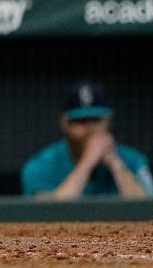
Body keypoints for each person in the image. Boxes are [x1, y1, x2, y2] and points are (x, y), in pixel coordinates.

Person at [21, 80, 153, 199]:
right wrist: (87, 162)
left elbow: (147, 211)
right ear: (65, 123)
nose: (90, 129)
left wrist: (116, 164)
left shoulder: (134, 160)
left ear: (108, 121)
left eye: (96, 120)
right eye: (80, 121)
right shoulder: (40, 166)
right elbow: (47, 215)